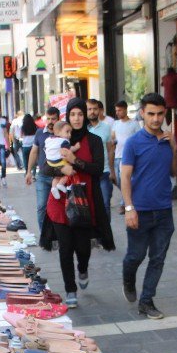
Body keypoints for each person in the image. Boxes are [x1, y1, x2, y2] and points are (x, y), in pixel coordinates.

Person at [39, 97, 115, 309]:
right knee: (65, 248)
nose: (77, 118)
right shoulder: (56, 140)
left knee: (83, 247)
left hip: (84, 200)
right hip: (60, 201)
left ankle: (82, 268)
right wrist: (62, 170)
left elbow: (98, 169)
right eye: (72, 114)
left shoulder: (93, 141)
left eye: (80, 114)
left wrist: (75, 161)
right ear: (67, 116)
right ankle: (70, 289)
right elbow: (44, 168)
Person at [119, 93, 177, 320]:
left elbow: (175, 171)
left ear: (165, 113)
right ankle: (128, 278)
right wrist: (129, 208)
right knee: (135, 256)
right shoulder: (133, 143)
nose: (156, 119)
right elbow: (125, 177)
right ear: (143, 114)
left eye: (160, 114)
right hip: (140, 210)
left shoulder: (167, 140)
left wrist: (174, 148)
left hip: (164, 210)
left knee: (157, 258)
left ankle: (146, 301)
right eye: (151, 114)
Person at [25, 106, 63, 236]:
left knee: (58, 207)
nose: (51, 121)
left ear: (59, 119)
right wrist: (29, 171)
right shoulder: (39, 133)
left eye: (54, 119)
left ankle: (59, 235)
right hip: (42, 176)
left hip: (59, 177)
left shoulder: (64, 132)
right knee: (42, 207)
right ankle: (44, 235)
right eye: (48, 119)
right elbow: (34, 151)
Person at [109, 100, 140, 214]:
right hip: (117, 156)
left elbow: (139, 139)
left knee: (124, 179)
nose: (117, 112)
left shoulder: (134, 124)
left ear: (125, 110)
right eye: (116, 110)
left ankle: (124, 203)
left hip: (128, 157)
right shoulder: (116, 124)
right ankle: (127, 198)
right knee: (117, 179)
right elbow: (113, 137)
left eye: (120, 110)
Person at [86, 99, 114, 221]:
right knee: (88, 206)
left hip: (104, 172)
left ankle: (105, 235)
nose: (92, 112)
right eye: (89, 109)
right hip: (87, 172)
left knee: (105, 205)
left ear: (100, 110)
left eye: (95, 109)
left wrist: (112, 171)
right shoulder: (82, 129)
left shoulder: (106, 128)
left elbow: (110, 150)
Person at [43, 120, 79, 198]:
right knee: (68, 172)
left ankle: (53, 188)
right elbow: (67, 150)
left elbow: (45, 149)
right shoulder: (64, 141)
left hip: (49, 163)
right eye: (67, 132)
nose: (69, 135)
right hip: (59, 162)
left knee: (56, 177)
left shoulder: (49, 139)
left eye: (70, 132)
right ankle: (60, 184)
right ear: (58, 132)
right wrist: (76, 147)